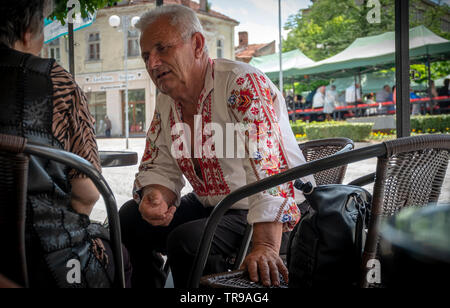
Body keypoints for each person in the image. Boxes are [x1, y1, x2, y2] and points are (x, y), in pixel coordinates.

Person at [118, 4, 315, 288]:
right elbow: (159, 160)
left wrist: (266, 245)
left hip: (277, 214)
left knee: (188, 241)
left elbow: (268, 168)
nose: (153, 64)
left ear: (197, 44)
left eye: (162, 49)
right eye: (147, 55)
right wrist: (156, 194)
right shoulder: (166, 99)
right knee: (129, 218)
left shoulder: (241, 83)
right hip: (217, 205)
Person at [0, 0, 131, 288]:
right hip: (47, 259)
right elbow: (86, 195)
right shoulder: (55, 81)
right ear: (27, 31)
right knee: (119, 253)